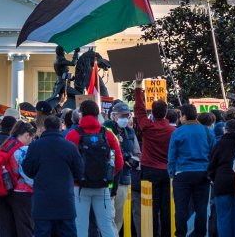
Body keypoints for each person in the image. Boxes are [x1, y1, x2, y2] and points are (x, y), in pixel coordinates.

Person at [65, 100, 123, 237]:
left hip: (79, 187)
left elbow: (66, 162)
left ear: (81, 114)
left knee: (80, 227)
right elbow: (118, 161)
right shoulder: (107, 134)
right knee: (106, 226)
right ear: (98, 114)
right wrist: (108, 175)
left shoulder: (72, 135)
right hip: (102, 187)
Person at [23, 115, 83, 237]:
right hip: (65, 200)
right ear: (60, 127)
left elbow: (27, 170)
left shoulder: (35, 146)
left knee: (42, 233)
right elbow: (80, 171)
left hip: (42, 200)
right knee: (68, 232)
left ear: (44, 127)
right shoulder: (70, 146)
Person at [133, 73, 175, 237]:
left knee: (150, 206)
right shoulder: (173, 131)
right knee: (166, 206)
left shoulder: (147, 127)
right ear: (165, 113)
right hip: (167, 172)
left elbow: (139, 109)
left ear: (154, 112)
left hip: (149, 171)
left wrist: (138, 86)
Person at [168, 104, 215, 237]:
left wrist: (172, 174)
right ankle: (200, 234)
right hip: (203, 173)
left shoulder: (177, 132)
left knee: (181, 208)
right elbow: (214, 153)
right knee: (201, 208)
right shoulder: (207, 131)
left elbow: (172, 156)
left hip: (182, 173)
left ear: (184, 116)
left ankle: (181, 234)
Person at [102, 101, 140, 235]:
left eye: (127, 115)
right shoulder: (105, 130)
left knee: (118, 216)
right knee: (109, 215)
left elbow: (137, 154)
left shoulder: (130, 132)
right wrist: (122, 157)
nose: (125, 118)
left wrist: (133, 160)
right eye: (122, 115)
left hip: (124, 179)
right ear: (113, 116)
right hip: (108, 180)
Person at [0, 121, 35, 237]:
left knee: (7, 229)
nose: (31, 141)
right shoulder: (24, 150)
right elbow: (27, 176)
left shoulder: (6, 145)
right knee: (24, 227)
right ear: (27, 135)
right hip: (22, 193)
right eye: (31, 138)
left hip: (4, 191)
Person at [208, 119, 235, 237]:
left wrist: (213, 177)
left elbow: (211, 165)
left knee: (223, 217)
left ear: (225, 129)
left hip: (222, 182)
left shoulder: (220, 143)